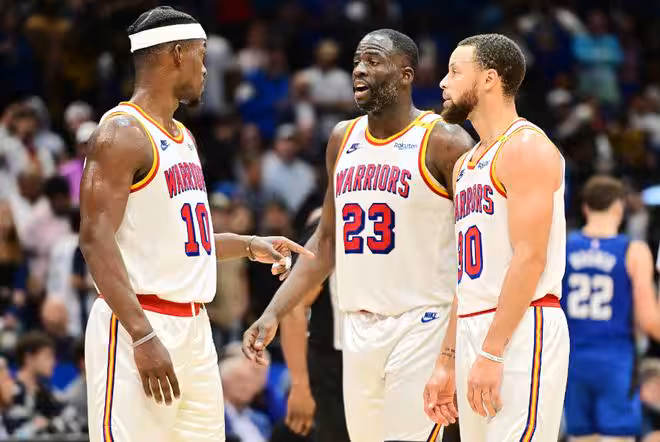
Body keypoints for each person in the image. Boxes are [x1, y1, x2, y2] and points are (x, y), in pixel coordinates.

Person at [79, 7, 311, 441]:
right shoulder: (121, 134)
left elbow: (185, 240)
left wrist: (248, 244)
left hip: (195, 327)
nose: (206, 69)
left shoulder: (183, 137)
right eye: (201, 56)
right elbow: (94, 238)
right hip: (139, 322)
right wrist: (142, 335)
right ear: (176, 54)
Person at [243, 28, 474, 442]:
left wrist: (456, 346)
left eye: (372, 61)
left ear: (406, 74)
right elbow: (325, 242)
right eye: (356, 62)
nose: (359, 70)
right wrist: (273, 312)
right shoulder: (342, 138)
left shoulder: (445, 141)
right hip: (356, 327)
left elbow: (475, 246)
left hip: (423, 322)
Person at [424, 33, 569, 441]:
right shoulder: (466, 164)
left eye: (455, 72)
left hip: (521, 326)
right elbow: (465, 278)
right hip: (474, 325)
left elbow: (530, 258)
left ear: (489, 79)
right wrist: (447, 360)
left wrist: (492, 350)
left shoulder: (525, 148)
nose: (443, 82)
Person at [562, 176, 660, 442]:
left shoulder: (562, 246)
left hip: (571, 360)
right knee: (618, 436)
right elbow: (648, 320)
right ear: (619, 207)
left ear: (585, 208)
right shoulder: (633, 251)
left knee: (580, 436)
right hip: (615, 360)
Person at [280, 207, 350, 441]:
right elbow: (293, 305)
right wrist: (299, 385)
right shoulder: (328, 226)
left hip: (389, 355)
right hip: (333, 369)